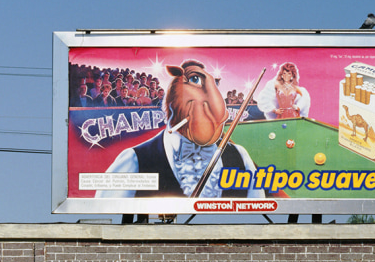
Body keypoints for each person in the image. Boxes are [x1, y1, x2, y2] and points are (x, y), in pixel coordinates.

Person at [94, 60, 263, 200]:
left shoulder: (240, 157)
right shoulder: (134, 159)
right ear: (172, 106)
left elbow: (259, 204)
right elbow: (100, 210)